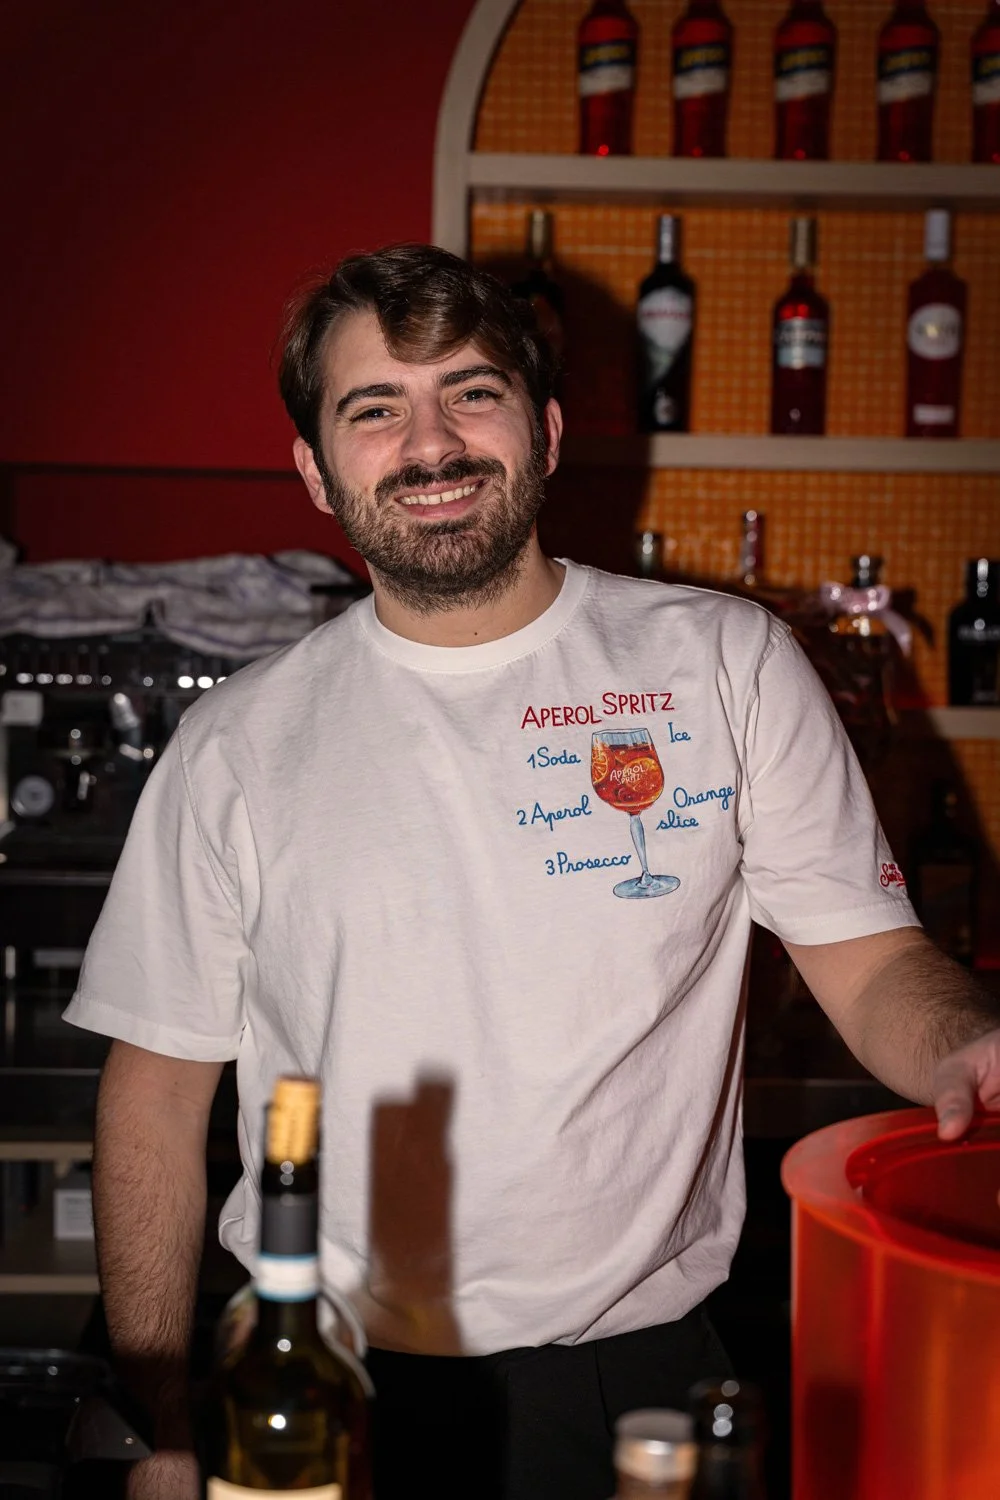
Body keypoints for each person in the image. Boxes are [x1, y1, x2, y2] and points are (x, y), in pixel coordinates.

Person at [65, 244, 1000, 1500]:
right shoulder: (236, 743)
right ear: (315, 471)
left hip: (629, 1376)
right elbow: (156, 1096)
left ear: (546, 430)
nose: (431, 441)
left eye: (471, 391)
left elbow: (870, 958)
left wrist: (961, 1047)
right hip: (322, 1377)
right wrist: (162, 1411)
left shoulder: (719, 663)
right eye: (375, 408)